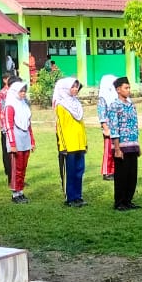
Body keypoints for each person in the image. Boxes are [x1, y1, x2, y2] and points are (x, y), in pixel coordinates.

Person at [54, 76, 89, 207]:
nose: (75, 89)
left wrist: (85, 142)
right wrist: (63, 146)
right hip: (68, 145)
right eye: (73, 87)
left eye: (76, 87)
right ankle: (70, 197)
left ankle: (78, 196)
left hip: (79, 143)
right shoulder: (61, 105)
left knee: (80, 170)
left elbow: (81, 124)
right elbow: (60, 127)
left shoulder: (76, 103)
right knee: (70, 171)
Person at [110, 76, 142, 211]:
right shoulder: (114, 106)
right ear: (118, 90)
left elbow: (134, 125)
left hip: (132, 145)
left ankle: (128, 200)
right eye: (126, 88)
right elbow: (114, 128)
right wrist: (117, 149)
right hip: (121, 146)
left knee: (132, 175)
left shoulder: (131, 105)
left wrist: (137, 145)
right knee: (121, 176)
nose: (128, 90)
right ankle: (119, 202)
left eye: (129, 87)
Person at [5, 80, 35, 204]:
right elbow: (8, 126)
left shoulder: (24, 105)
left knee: (23, 167)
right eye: (21, 91)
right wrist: (12, 144)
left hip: (25, 139)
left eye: (24, 91)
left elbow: (28, 124)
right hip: (16, 141)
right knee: (16, 167)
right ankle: (15, 193)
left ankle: (21, 191)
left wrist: (32, 140)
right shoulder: (10, 105)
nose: (23, 93)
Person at [97, 74, 117, 181]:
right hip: (108, 128)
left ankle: (114, 170)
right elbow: (101, 115)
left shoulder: (115, 96)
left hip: (116, 127)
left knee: (116, 149)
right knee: (108, 151)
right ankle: (106, 171)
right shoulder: (103, 98)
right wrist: (105, 128)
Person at [0, 72, 14, 182]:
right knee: (7, 152)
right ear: (4, 80)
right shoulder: (2, 93)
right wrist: (5, 127)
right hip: (6, 127)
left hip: (15, 127)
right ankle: (10, 176)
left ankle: (16, 176)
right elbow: (2, 111)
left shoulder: (14, 92)